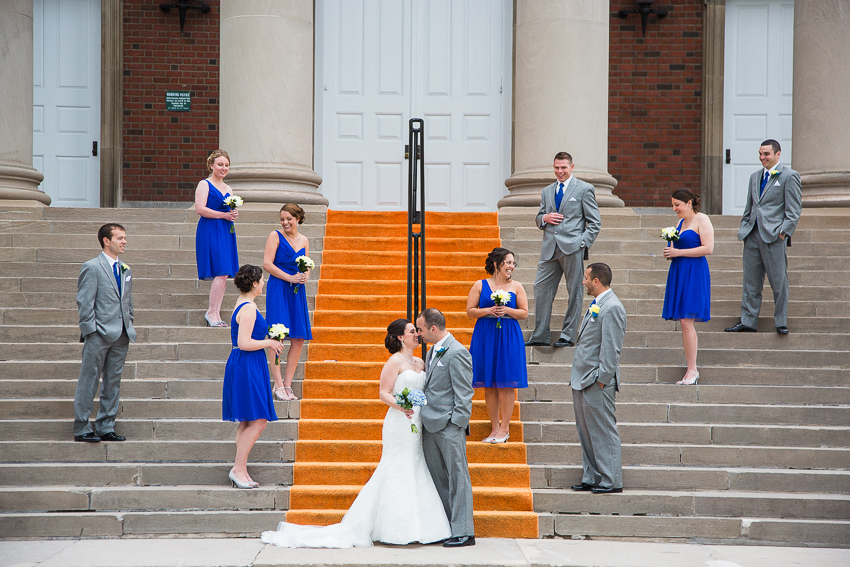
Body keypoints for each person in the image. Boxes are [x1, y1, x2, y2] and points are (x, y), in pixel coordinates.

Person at [261, 319, 451, 547]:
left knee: (416, 464)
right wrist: (402, 406)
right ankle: (393, 528)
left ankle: (423, 526)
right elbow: (383, 392)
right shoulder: (394, 361)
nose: (416, 335)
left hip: (416, 423)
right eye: (412, 332)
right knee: (397, 466)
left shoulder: (420, 362)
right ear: (401, 337)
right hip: (399, 422)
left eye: (416, 331)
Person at [725, 139, 802, 335]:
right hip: (752, 235)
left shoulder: (789, 176)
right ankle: (748, 322)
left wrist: (783, 232)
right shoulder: (754, 177)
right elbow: (751, 206)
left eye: (766, 154)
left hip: (774, 237)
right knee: (750, 281)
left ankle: (781, 322)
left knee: (779, 281)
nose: (762, 158)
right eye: (760, 154)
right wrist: (745, 227)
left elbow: (793, 211)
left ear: (778, 154)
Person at [526, 152, 601, 348]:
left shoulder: (584, 189)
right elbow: (539, 216)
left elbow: (594, 223)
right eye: (556, 168)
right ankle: (540, 334)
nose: (560, 171)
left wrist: (581, 243)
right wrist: (544, 218)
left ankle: (568, 336)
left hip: (572, 247)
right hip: (549, 248)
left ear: (572, 167)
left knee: (574, 291)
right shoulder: (547, 190)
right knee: (540, 288)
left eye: (563, 168)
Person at [416, 308, 476, 547]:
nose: (418, 334)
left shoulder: (458, 352)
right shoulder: (431, 351)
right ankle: (448, 527)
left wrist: (456, 424)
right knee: (438, 477)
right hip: (429, 424)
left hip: (449, 426)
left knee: (457, 476)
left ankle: (464, 532)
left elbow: (465, 393)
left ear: (433, 328)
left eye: (420, 329)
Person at [73, 223, 136, 443]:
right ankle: (82, 427)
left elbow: (126, 301)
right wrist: (91, 331)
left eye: (125, 237)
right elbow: (84, 302)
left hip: (122, 334)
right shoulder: (92, 267)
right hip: (99, 334)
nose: (124, 241)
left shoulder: (125, 268)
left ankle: (106, 426)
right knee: (89, 381)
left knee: (113, 381)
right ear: (106, 241)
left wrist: (130, 322)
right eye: (120, 237)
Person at [222, 265, 283, 489]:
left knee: (248, 420)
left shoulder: (245, 304)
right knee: (258, 420)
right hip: (247, 365)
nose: (264, 283)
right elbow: (244, 343)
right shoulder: (248, 308)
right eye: (263, 280)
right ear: (255, 283)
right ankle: (238, 468)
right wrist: (269, 342)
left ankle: (241, 468)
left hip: (247, 364)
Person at [570, 263, 626, 494]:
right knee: (586, 430)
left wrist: (602, 379)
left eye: (585, 278)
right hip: (581, 378)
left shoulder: (612, 307)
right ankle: (592, 475)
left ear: (596, 281)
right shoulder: (596, 304)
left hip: (596, 380)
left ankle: (611, 479)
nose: (583, 282)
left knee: (603, 430)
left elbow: (611, 348)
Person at [466, 247, 528, 443]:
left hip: (508, 335)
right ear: (496, 264)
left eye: (513, 263)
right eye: (508, 262)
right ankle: (494, 429)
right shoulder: (480, 285)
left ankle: (504, 429)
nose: (511, 267)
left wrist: (507, 309)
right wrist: (488, 311)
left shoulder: (517, 286)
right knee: (489, 385)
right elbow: (470, 311)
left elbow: (524, 313)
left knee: (506, 383)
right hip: (486, 335)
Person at [661, 189, 714, 385]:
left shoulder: (702, 219)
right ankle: (690, 369)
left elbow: (708, 248)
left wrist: (679, 253)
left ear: (689, 203)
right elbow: (678, 248)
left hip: (694, 272)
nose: (674, 208)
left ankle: (692, 369)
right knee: (684, 322)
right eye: (673, 205)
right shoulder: (680, 222)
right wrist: (671, 251)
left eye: (677, 204)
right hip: (679, 271)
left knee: (686, 321)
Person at [262, 204, 312, 401]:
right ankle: (278, 384)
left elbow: (306, 265)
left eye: (289, 219)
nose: (285, 223)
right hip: (279, 288)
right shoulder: (275, 236)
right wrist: (289, 278)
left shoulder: (304, 240)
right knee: (277, 336)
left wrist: (305, 275)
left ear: (298, 219)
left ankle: (288, 384)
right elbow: (267, 264)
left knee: (298, 338)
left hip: (297, 291)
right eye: (282, 219)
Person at [195, 149, 239, 327]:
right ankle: (211, 312)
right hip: (210, 229)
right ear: (211, 165)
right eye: (220, 164)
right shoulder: (204, 184)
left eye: (226, 165)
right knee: (220, 271)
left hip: (226, 230)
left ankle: (216, 313)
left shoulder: (228, 188)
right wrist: (223, 216)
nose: (223, 168)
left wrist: (233, 213)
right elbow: (200, 209)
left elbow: (228, 210)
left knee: (225, 273)